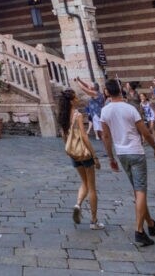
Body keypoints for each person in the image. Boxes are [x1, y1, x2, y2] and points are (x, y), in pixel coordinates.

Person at [101, 78, 155, 247]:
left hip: (121, 154)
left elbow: (106, 137)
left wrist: (111, 157)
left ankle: (150, 224)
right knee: (141, 190)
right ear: (121, 91)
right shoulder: (131, 109)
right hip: (136, 152)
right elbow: (146, 133)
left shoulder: (105, 111)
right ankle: (139, 231)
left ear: (107, 92)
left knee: (137, 190)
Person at [57, 88, 104, 230]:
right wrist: (94, 156)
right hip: (84, 153)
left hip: (73, 153)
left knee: (84, 182)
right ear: (72, 101)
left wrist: (68, 149)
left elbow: (64, 136)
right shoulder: (77, 115)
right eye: (75, 97)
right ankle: (94, 221)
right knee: (92, 187)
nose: (77, 99)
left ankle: (78, 204)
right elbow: (84, 137)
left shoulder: (62, 116)